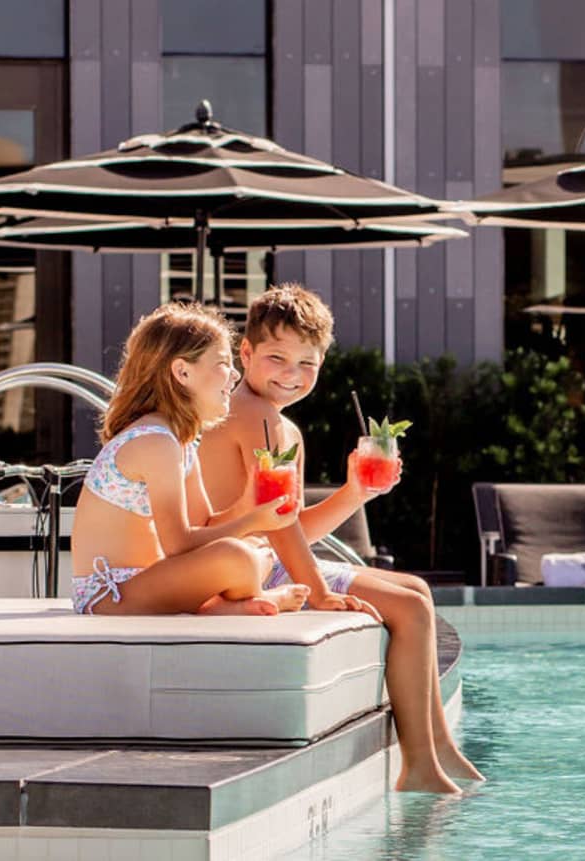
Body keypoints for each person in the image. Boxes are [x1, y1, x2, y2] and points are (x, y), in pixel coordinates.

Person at [198, 284, 484, 795]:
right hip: (239, 571)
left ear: (323, 362)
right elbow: (282, 533)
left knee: (416, 590)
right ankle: (418, 763)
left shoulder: (284, 427)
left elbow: (292, 524)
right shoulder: (255, 417)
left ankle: (439, 748)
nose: (291, 374)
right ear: (245, 353)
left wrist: (355, 493)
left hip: (267, 560)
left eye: (307, 364)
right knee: (412, 609)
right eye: (276, 358)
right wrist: (321, 592)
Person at [69, 302, 310, 617]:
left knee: (253, 553)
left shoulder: (179, 442)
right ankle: (224, 606)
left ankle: (220, 607)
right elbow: (179, 545)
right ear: (182, 372)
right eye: (223, 362)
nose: (235, 373)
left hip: (147, 583)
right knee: (239, 557)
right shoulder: (155, 442)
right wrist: (252, 522)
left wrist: (245, 506)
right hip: (110, 596)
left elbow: (204, 525)